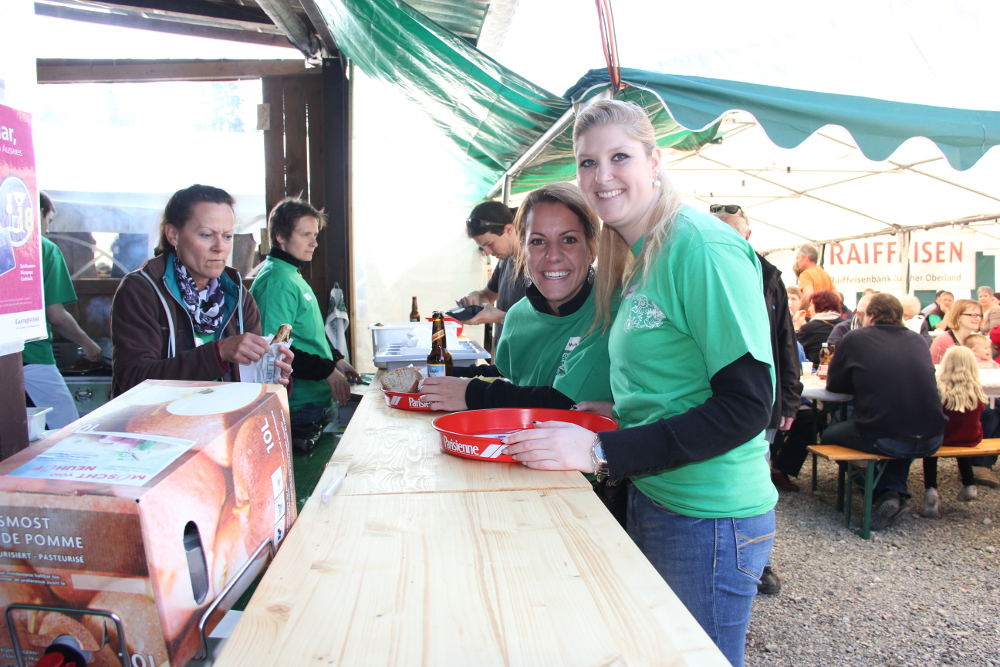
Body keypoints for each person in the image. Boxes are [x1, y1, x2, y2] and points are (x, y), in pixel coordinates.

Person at [504, 100, 775, 667]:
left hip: (709, 515)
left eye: (619, 157)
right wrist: (618, 409)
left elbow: (748, 406)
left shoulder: (700, 247)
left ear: (654, 161)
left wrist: (602, 450)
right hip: (657, 496)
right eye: (587, 162)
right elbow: (679, 380)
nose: (602, 175)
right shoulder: (640, 254)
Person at [420, 183, 611, 412]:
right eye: (538, 241)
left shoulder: (611, 311)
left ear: (592, 248)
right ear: (524, 250)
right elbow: (509, 375)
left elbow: (566, 402)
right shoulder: (518, 315)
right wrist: (437, 374)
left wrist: (472, 393)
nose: (552, 255)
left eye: (568, 239)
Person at [111, 184, 291, 396]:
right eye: (206, 235)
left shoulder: (238, 296)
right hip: (164, 418)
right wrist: (218, 353)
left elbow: (252, 385)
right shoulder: (141, 291)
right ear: (173, 235)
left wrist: (275, 375)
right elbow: (133, 381)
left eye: (227, 236)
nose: (219, 247)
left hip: (225, 417)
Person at [714, 204, 801, 597]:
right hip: (713, 398)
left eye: (731, 229)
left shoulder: (768, 276)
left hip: (759, 400)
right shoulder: (702, 267)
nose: (723, 236)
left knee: (755, 479)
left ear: (747, 236)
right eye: (717, 229)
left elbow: (785, 339)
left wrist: (790, 400)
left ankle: (759, 562)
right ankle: (722, 554)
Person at [822, 293, 946, 530]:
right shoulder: (918, 340)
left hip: (887, 436)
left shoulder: (855, 337)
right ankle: (893, 492)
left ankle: (879, 493)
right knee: (902, 427)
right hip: (933, 435)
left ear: (871, 316)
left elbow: (834, 385)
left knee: (829, 437)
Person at [250, 198, 360, 430]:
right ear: (280, 236)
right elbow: (276, 348)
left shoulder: (291, 273)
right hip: (298, 403)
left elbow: (306, 333)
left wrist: (336, 360)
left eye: (315, 235)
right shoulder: (277, 283)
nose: (314, 243)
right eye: (305, 235)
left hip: (314, 399)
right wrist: (325, 370)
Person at [22, 192, 103, 429]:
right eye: (49, 220)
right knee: (66, 428)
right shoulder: (44, 249)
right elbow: (56, 315)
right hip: (32, 355)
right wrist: (88, 344)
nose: (48, 229)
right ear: (38, 213)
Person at [922, 346, 985, 517]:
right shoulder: (976, 391)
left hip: (942, 438)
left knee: (930, 449)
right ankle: (969, 484)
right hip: (969, 437)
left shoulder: (939, 390)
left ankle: (931, 489)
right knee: (961, 442)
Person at [458, 201, 526, 344]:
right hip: (506, 351)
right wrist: (476, 296)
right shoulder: (505, 261)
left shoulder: (538, 266)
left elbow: (545, 323)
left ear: (508, 229)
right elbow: (488, 296)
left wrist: (499, 317)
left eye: (490, 244)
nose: (488, 252)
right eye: (483, 247)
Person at [796, 289, 848, 365]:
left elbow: (796, 353)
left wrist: (796, 329)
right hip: (841, 369)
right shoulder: (847, 324)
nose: (809, 309)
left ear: (818, 305)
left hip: (816, 370)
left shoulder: (808, 328)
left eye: (811, 305)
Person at [929, 299, 982, 364]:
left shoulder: (979, 341)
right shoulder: (942, 341)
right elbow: (935, 366)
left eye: (980, 315)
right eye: (973, 315)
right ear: (958, 316)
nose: (978, 319)